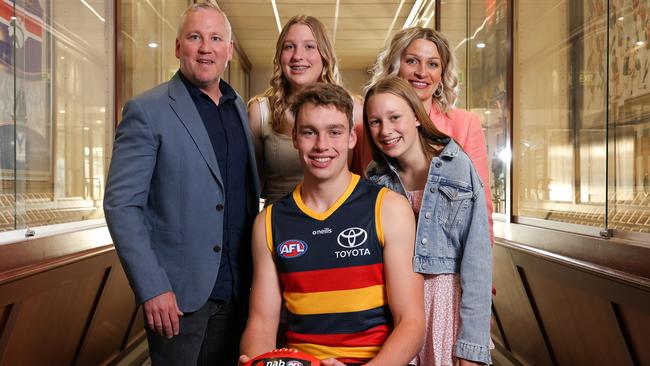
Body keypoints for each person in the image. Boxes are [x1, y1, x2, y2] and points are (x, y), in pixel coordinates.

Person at [103, 2, 260, 365]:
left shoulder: (238, 108)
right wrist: (152, 286)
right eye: (195, 37)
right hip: (180, 299)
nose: (206, 48)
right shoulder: (148, 110)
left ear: (229, 50)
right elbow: (121, 205)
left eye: (215, 38)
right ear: (178, 47)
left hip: (240, 290)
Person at [239, 83, 424, 366]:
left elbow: (411, 324)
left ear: (351, 138)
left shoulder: (389, 209)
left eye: (334, 132)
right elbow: (262, 323)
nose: (321, 145)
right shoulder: (269, 222)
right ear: (295, 138)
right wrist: (256, 361)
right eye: (309, 132)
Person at [364, 76, 492, 366]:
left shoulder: (457, 166)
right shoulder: (374, 177)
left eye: (395, 117)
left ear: (417, 117)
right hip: (393, 311)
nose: (386, 131)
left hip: (446, 309)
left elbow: (478, 261)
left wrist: (472, 342)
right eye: (375, 122)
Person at [366, 27, 494, 241]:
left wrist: (478, 268)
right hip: (388, 256)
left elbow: (481, 209)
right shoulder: (371, 127)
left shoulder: (465, 124)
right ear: (395, 67)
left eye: (432, 64)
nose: (422, 72)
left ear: (441, 75)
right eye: (412, 61)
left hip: (447, 261)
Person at [248, 15, 364, 204]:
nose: (297, 56)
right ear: (280, 55)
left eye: (309, 46)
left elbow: (363, 179)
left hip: (339, 219)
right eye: (289, 47)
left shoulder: (354, 109)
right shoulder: (260, 112)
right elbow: (255, 185)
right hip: (279, 221)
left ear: (324, 54)